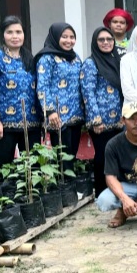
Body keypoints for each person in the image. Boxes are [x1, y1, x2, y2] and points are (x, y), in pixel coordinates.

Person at [0, 16, 41, 167]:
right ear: (2, 35)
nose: (15, 36)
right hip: (4, 125)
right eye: (10, 32)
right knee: (3, 167)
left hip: (31, 124)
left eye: (18, 32)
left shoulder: (30, 58)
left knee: (33, 168)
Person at [81, 27, 124, 197]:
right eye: (101, 40)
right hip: (101, 122)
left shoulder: (117, 61)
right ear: (95, 42)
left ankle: (116, 191)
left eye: (109, 39)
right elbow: (88, 93)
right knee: (103, 156)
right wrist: (96, 120)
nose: (106, 42)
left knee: (117, 156)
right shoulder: (91, 63)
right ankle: (101, 192)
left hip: (118, 120)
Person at [35, 23, 84, 171]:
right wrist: (50, 111)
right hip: (58, 117)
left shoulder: (76, 58)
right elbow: (42, 87)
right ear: (55, 37)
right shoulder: (47, 58)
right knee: (62, 157)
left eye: (72, 37)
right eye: (64, 37)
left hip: (76, 115)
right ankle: (64, 184)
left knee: (72, 155)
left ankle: (70, 183)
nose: (69, 41)